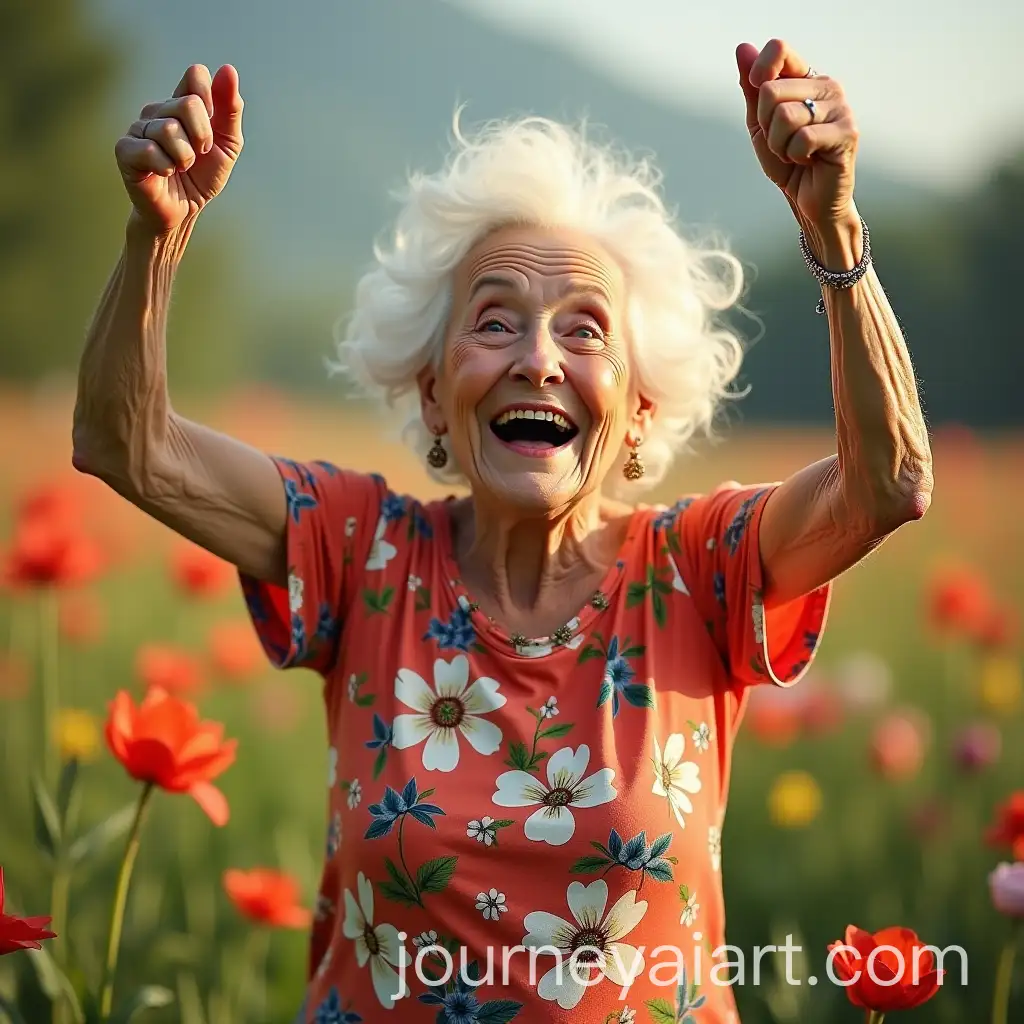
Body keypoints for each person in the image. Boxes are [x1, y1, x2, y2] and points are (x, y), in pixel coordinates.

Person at [74, 38, 932, 1024]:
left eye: (583, 329)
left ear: (641, 408)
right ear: (435, 394)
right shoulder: (362, 551)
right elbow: (124, 443)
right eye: (493, 321)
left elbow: (890, 480)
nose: (537, 358)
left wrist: (832, 228)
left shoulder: (699, 568)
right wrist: (156, 238)